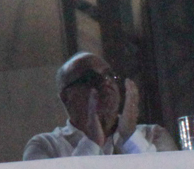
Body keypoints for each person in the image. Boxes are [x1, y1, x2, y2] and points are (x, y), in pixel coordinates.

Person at [23, 52, 177, 159]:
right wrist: (92, 143)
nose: (106, 82)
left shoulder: (153, 134)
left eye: (110, 76)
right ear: (66, 97)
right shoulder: (45, 146)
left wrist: (130, 136)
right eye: (92, 78)